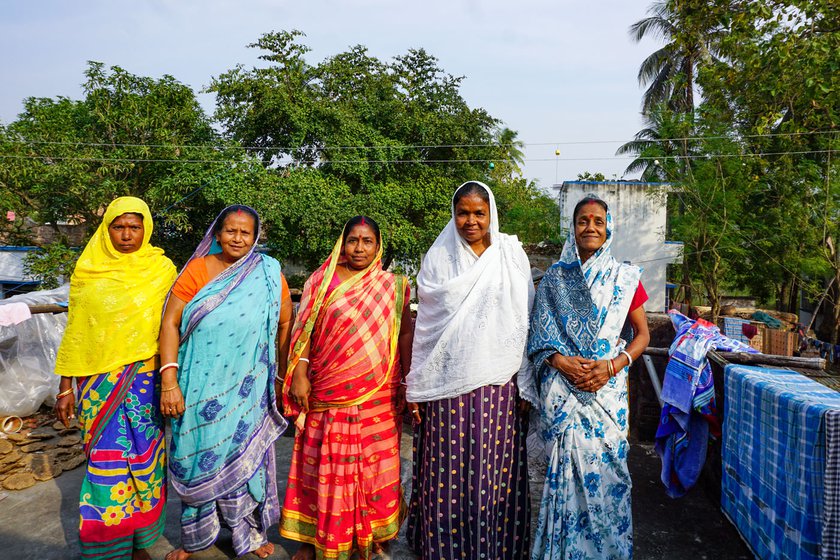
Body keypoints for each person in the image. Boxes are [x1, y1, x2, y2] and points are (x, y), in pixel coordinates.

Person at [406, 181, 535, 560]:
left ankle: (496, 546)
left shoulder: (510, 254)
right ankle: (442, 547)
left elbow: (526, 320)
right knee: (446, 470)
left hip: (500, 383)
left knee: (495, 470)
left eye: (479, 213)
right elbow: (426, 330)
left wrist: (526, 383)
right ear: (454, 214)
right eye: (463, 212)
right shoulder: (439, 259)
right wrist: (418, 386)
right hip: (447, 386)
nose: (471, 221)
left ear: (491, 214)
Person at [158, 205, 292, 560]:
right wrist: (169, 378)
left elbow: (283, 324)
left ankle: (248, 533)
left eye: (245, 232)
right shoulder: (198, 269)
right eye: (230, 231)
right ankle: (195, 538)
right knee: (195, 454)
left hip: (248, 387)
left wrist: (280, 376)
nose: (238, 238)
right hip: (199, 385)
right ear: (217, 234)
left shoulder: (268, 271)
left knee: (244, 457)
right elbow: (170, 322)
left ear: (255, 237)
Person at [279, 215, 413, 560]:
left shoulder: (393, 285)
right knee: (324, 464)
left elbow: (405, 336)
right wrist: (300, 373)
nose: (359, 248)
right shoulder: (320, 281)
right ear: (342, 242)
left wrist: (410, 380)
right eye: (353, 240)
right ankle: (315, 538)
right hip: (326, 388)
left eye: (367, 241)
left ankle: (371, 533)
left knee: (374, 466)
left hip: (378, 393)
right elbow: (303, 331)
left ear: (378, 245)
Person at [527, 194, 650, 559]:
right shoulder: (553, 279)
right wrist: (561, 363)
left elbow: (643, 335)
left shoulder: (625, 278)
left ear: (608, 227)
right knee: (562, 480)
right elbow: (538, 338)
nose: (590, 227)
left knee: (610, 478)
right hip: (562, 393)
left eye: (598, 221)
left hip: (606, 397)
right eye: (583, 220)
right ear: (573, 227)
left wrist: (613, 365)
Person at [54, 197, 177, 560]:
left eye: (134, 227)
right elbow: (76, 331)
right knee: (105, 462)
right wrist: (64, 387)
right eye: (119, 227)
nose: (127, 235)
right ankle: (107, 543)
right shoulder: (88, 269)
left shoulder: (162, 270)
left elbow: (173, 326)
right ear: (106, 229)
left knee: (145, 460)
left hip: (144, 382)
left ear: (146, 229)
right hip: (97, 383)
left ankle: (141, 541)